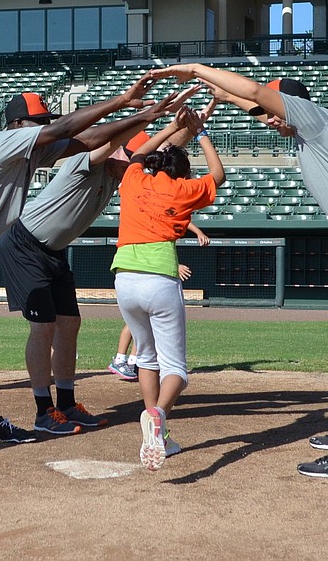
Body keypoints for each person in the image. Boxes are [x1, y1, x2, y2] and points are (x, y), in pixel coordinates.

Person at [0, 73, 182, 471]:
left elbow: (87, 140)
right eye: (38, 123)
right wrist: (122, 101)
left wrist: (146, 118)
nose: (44, 129)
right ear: (18, 126)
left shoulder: (31, 155)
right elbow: (65, 130)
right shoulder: (0, 142)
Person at [152, 64, 328, 478]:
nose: (267, 119)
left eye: (271, 110)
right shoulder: (307, 134)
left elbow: (252, 90)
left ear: (293, 104)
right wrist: (210, 91)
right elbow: (246, 97)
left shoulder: (314, 118)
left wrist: (197, 67)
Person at [0, 86, 202, 437]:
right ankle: (43, 410)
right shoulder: (88, 160)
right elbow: (113, 144)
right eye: (134, 154)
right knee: (43, 327)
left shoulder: (126, 177)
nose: (142, 162)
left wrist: (190, 124)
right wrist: (155, 121)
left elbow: (166, 150)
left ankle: (66, 403)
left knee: (69, 325)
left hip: (53, 250)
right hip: (24, 244)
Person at [111, 107, 225, 471]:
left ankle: (157, 433)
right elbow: (218, 175)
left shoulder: (134, 180)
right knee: (175, 368)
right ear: (183, 172)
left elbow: (138, 154)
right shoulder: (182, 189)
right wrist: (200, 131)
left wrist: (169, 130)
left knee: (145, 357)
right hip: (160, 274)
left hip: (124, 276)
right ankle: (158, 416)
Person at [108, 226, 209, 381]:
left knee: (142, 326)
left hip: (131, 276)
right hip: (144, 274)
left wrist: (198, 232)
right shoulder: (146, 226)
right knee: (137, 326)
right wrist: (174, 265)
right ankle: (121, 360)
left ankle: (131, 361)